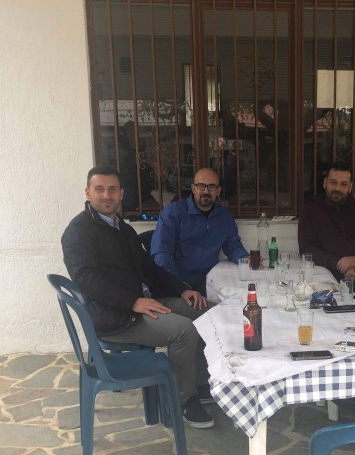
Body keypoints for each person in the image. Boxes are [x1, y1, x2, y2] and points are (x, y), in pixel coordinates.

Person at [61, 166, 215, 429]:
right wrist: (132, 302)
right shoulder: (79, 231)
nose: (106, 195)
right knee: (184, 331)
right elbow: (87, 280)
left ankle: (199, 384)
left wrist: (181, 289)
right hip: (118, 316)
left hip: (144, 301)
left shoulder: (122, 229)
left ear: (121, 194)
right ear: (88, 193)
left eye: (112, 189)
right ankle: (182, 401)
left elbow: (149, 268)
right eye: (99, 189)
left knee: (207, 311)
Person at [298, 162, 355, 306]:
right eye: (333, 182)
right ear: (325, 183)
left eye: (343, 184)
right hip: (331, 279)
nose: (337, 188)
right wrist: (339, 264)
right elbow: (307, 249)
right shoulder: (311, 209)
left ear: (350, 187)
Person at [150, 167, 249, 295]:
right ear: (193, 188)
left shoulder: (224, 216)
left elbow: (232, 245)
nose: (206, 191)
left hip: (210, 280)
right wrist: (178, 285)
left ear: (218, 191)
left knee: (243, 296)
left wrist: (246, 259)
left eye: (211, 187)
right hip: (178, 281)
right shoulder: (173, 213)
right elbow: (161, 254)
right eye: (201, 186)